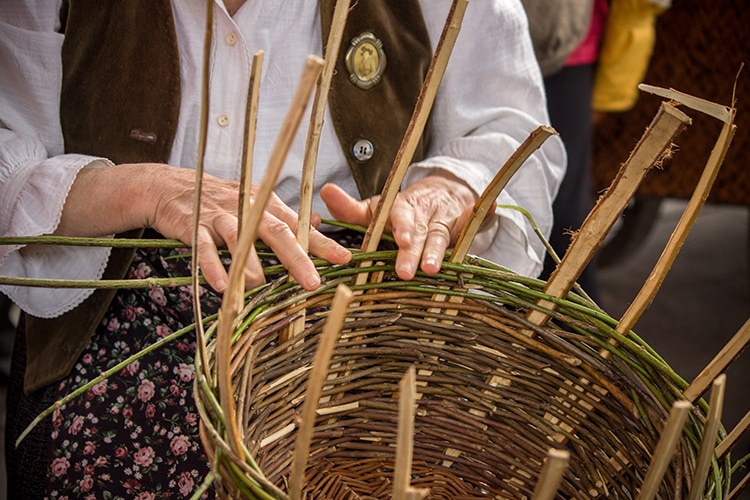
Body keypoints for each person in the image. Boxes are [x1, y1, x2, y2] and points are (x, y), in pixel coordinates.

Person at [0, 1, 564, 497]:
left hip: (359, 299)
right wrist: (145, 188)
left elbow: (507, 121)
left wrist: (450, 185)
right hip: (126, 299)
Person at [523, 0, 668, 301]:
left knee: (561, 221)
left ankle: (578, 333)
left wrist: (614, 83)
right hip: (483, 46)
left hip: (560, 48)